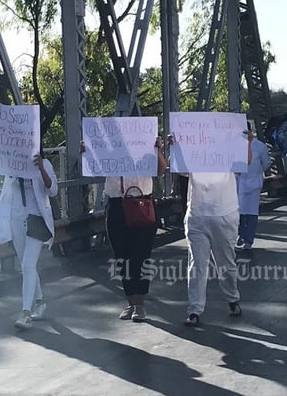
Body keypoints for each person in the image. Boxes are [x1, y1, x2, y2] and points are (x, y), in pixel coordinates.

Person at [170, 130, 252, 326]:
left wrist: (247, 143)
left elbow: (245, 162)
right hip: (197, 214)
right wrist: (175, 147)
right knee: (197, 264)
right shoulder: (193, 153)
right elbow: (179, 168)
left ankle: (232, 298)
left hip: (224, 213)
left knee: (226, 264)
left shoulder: (228, 153)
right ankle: (195, 310)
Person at [86, 136, 167, 322]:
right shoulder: (108, 150)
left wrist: (157, 150)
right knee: (122, 256)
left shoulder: (145, 148)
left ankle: (140, 304)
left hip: (142, 204)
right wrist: (88, 153)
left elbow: (160, 170)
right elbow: (92, 169)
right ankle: (130, 302)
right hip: (116, 206)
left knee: (141, 255)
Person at [0, 152, 59, 330]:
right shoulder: (12, 165)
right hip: (17, 220)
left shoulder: (44, 163)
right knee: (26, 265)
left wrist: (41, 169)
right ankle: (40, 302)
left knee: (28, 266)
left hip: (36, 219)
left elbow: (53, 190)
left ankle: (26, 313)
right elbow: (7, 193)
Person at [236, 128, 273, 250]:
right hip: (238, 182)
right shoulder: (233, 144)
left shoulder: (259, 146)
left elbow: (266, 162)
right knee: (238, 211)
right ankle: (240, 235)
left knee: (251, 212)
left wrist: (257, 172)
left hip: (254, 183)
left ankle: (249, 239)